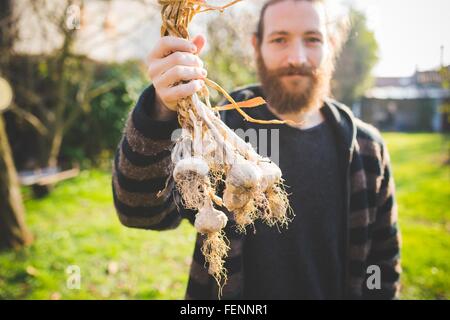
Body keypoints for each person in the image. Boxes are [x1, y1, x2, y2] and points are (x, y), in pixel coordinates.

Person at [112, 0, 401, 300]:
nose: (297, 57)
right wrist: (161, 109)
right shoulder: (214, 130)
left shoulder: (367, 148)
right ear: (256, 45)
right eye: (280, 39)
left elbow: (383, 263)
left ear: (332, 45)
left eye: (312, 39)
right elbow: (139, 211)